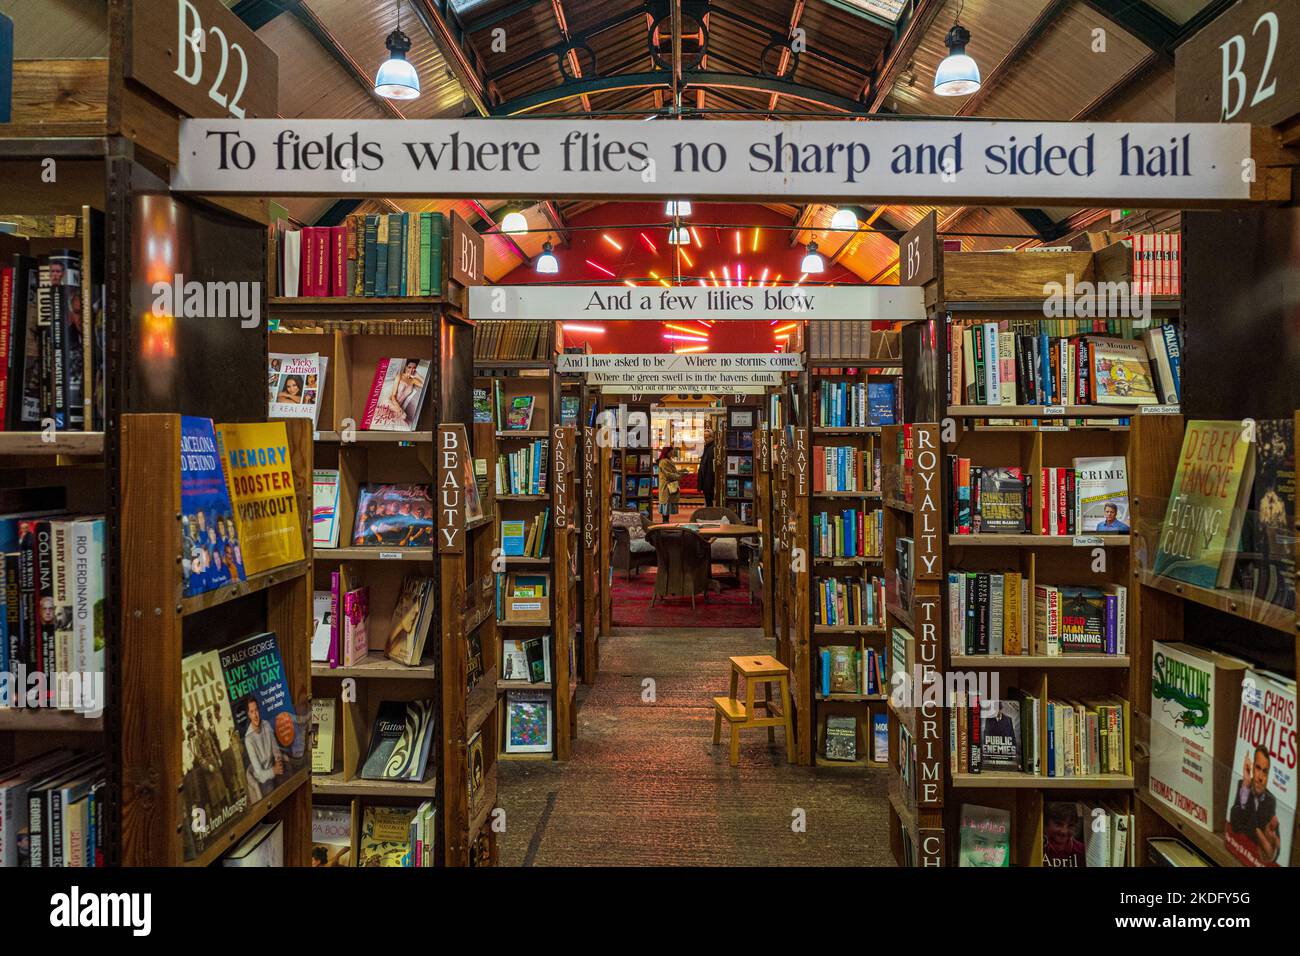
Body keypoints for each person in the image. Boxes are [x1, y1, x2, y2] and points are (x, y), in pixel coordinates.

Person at [1228, 745, 1281, 863]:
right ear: (1252, 769)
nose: (1261, 777)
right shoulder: (1242, 785)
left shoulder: (1271, 801)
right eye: (1258, 768)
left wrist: (1271, 840)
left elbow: (1274, 851)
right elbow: (1235, 825)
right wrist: (1246, 786)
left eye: (1265, 772)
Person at [241, 696, 285, 801]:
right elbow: (260, 774)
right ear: (248, 715)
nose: (255, 715)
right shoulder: (249, 739)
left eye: (256, 710)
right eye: (252, 712)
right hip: (263, 782)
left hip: (275, 771)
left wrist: (278, 760)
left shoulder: (266, 724)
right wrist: (274, 770)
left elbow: (275, 750)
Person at [657, 444, 681, 520]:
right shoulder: (664, 462)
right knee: (665, 508)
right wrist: (679, 476)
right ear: (667, 452)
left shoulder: (668, 460)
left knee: (667, 507)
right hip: (666, 487)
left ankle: (666, 524)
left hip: (669, 486)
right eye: (671, 452)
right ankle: (665, 525)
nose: (673, 453)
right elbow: (668, 474)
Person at [697, 428, 716, 509]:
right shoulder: (706, 447)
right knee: (707, 499)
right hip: (705, 477)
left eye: (707, 437)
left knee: (709, 499)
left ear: (712, 437)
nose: (706, 439)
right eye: (704, 437)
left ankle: (710, 514)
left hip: (709, 477)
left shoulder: (713, 448)